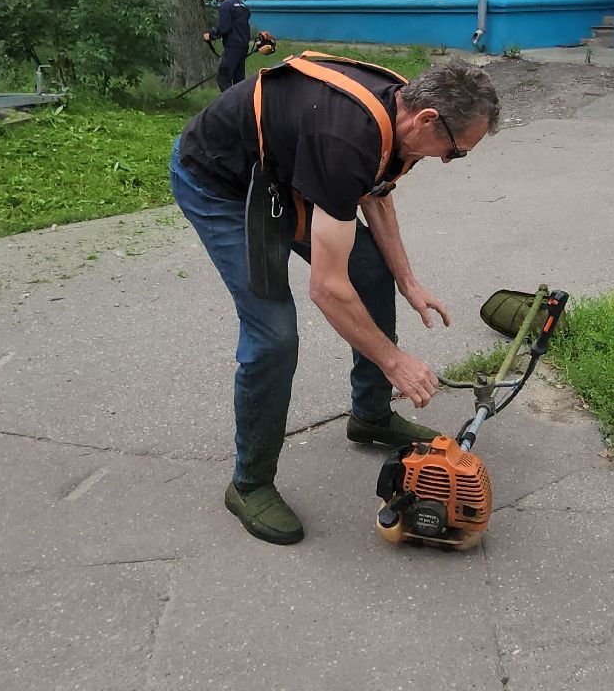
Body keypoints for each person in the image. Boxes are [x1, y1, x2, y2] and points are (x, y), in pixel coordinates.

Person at [169, 54, 501, 545]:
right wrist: (394, 362)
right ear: (428, 119)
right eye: (456, 152)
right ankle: (250, 483)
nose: (451, 162)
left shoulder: (398, 109)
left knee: (370, 269)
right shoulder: (346, 136)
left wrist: (406, 279)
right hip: (222, 185)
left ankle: (369, 418)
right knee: (274, 335)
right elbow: (326, 288)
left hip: (288, 177)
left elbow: (375, 190)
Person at [204, 0, 250, 91]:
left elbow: (224, 27)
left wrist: (211, 36)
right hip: (243, 45)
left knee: (223, 78)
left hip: (232, 46)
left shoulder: (226, 5)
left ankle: (230, 105)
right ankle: (242, 105)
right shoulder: (241, 4)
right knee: (239, 80)